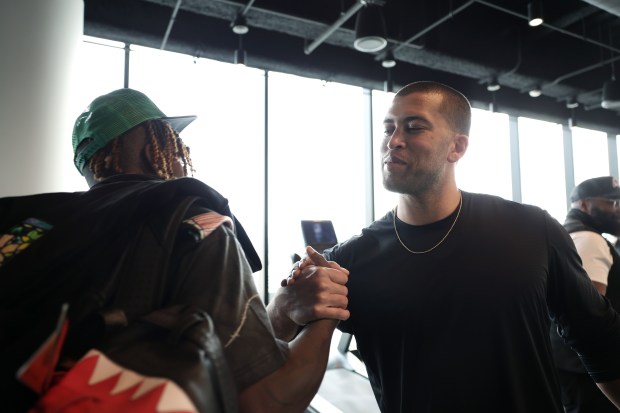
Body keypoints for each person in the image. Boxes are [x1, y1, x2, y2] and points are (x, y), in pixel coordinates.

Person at [267, 81, 620, 412]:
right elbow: (263, 348)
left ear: (457, 146)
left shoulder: (532, 230)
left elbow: (600, 343)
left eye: (414, 127)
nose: (393, 140)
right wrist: (283, 306)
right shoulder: (349, 261)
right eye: (389, 128)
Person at [0, 88, 349, 412]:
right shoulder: (193, 221)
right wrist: (328, 309)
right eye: (170, 137)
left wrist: (283, 310)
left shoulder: (28, 227)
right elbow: (262, 399)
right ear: (152, 143)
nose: (180, 148)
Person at [550, 176, 620, 413]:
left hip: (577, 368)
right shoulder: (590, 240)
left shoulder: (571, 234)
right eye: (612, 203)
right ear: (584, 204)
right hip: (592, 372)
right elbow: (589, 318)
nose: (617, 209)